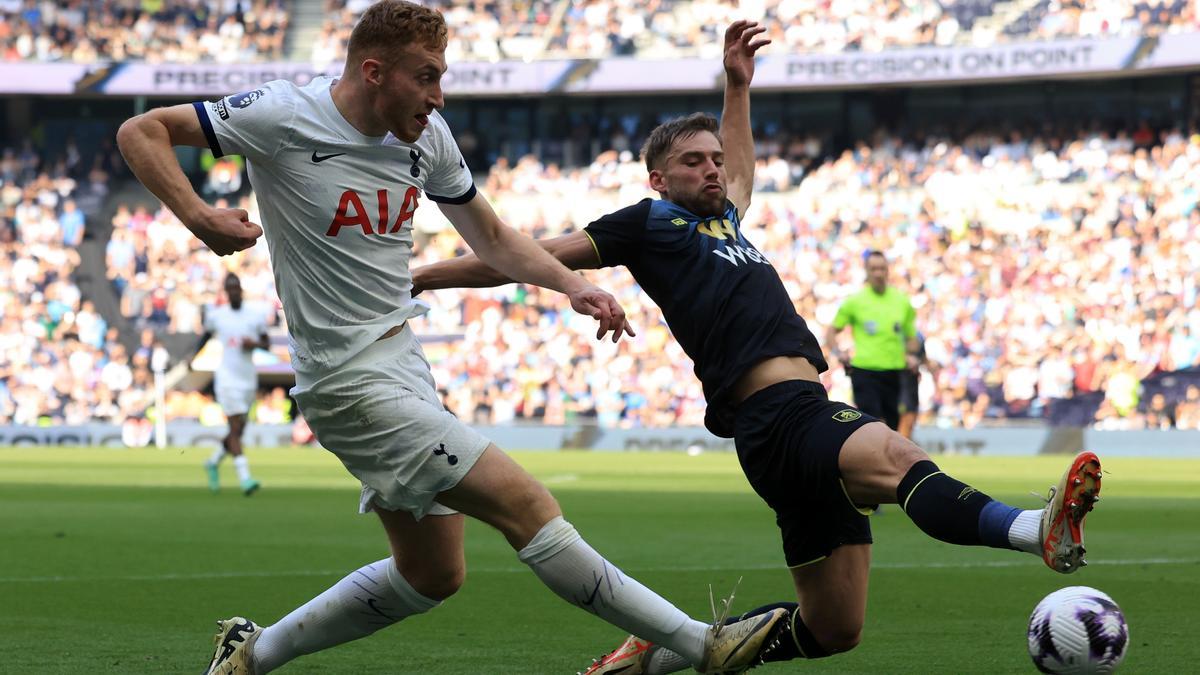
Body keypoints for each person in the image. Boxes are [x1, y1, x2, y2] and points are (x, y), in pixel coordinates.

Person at [412, 20, 1103, 674]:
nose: (712, 169)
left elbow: (740, 171)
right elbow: (523, 254)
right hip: (779, 415)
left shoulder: (728, 219)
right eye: (692, 161)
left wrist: (737, 86)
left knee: (834, 628)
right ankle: (1031, 528)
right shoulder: (648, 223)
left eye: (713, 159)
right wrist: (424, 274)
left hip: (791, 421)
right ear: (658, 178)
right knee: (898, 455)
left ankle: (661, 652)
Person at [115, 3, 787, 674]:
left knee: (432, 572)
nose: (439, 96)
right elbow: (141, 130)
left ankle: (250, 654)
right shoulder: (283, 115)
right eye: (427, 77)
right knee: (525, 503)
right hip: (347, 380)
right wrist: (200, 215)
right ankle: (701, 645)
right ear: (374, 71)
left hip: (404, 364)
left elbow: (493, 237)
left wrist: (570, 285)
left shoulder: (426, 138)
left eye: (443, 77)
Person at [824, 250, 919, 432]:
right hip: (864, 370)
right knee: (871, 424)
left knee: (893, 425)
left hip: (894, 371)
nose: (878, 273)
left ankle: (887, 460)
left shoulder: (901, 301)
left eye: (882, 268)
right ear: (866, 271)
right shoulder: (855, 302)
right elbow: (831, 332)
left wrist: (911, 355)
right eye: (873, 269)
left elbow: (912, 339)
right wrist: (839, 352)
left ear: (888, 271)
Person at [201, 272, 269, 495]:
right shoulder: (217, 316)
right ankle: (245, 479)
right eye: (229, 289)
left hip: (247, 378)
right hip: (227, 378)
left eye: (236, 288)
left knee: (239, 431)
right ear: (225, 292)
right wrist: (189, 358)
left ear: (241, 290)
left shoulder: (255, 315)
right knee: (234, 427)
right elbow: (204, 337)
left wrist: (255, 344)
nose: (233, 292)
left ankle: (212, 462)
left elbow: (266, 343)